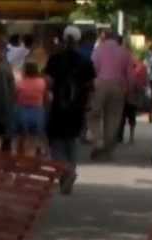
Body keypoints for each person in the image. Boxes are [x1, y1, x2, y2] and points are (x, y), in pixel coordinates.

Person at [44, 25, 95, 194]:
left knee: (56, 144)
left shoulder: (54, 59)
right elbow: (91, 86)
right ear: (79, 40)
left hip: (58, 107)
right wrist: (87, 103)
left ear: (63, 39)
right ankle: (70, 171)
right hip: (77, 108)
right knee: (72, 142)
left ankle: (64, 171)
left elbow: (48, 83)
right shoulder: (86, 61)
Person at [89, 29, 130, 161]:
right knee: (113, 118)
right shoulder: (125, 52)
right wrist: (128, 89)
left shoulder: (98, 50)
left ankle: (97, 141)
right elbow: (130, 74)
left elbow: (93, 68)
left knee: (93, 114)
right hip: (118, 86)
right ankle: (108, 150)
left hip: (100, 84)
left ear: (105, 37)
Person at [13, 60, 47, 158]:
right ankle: (31, 157)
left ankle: (20, 158)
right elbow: (45, 97)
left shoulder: (20, 83)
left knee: (20, 137)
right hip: (37, 112)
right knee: (33, 139)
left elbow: (14, 97)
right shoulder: (41, 82)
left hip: (22, 112)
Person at [116, 53, 147, 145]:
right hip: (132, 96)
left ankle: (120, 137)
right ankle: (129, 137)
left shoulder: (137, 68)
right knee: (130, 117)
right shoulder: (142, 67)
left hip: (127, 95)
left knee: (124, 117)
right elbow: (144, 83)